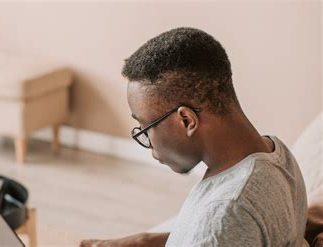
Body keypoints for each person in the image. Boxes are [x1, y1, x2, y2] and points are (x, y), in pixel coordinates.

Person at [80, 27, 307, 247]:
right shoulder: (277, 152)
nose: (148, 144)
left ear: (187, 120)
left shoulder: (225, 213)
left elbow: (218, 233)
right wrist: (144, 241)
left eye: (146, 128)